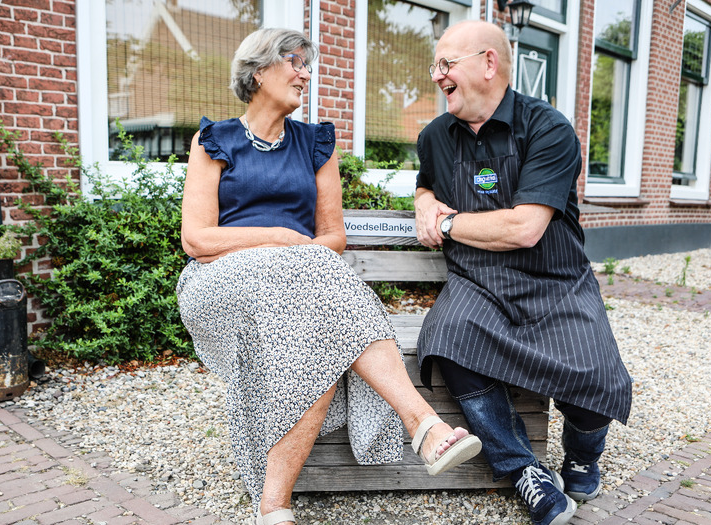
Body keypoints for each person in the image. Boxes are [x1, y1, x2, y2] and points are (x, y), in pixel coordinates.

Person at [175, 28, 482, 525]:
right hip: (221, 281)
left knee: (310, 329)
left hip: (298, 283)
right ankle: (419, 421)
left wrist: (298, 256)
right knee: (313, 288)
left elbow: (332, 236)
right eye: (294, 62)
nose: (305, 73)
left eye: (306, 63)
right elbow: (197, 240)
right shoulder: (214, 140)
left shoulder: (316, 142)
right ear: (258, 73)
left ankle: (276, 506)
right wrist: (281, 239)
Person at [413, 20, 632, 525]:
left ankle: (581, 454)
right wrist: (424, 200)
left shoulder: (548, 129)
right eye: (435, 66)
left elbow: (526, 228)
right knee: (445, 336)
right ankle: (523, 469)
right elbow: (427, 183)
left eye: (447, 64)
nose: (437, 76)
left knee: (595, 370)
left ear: (488, 64)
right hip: (478, 282)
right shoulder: (434, 137)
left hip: (554, 278)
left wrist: (446, 223)